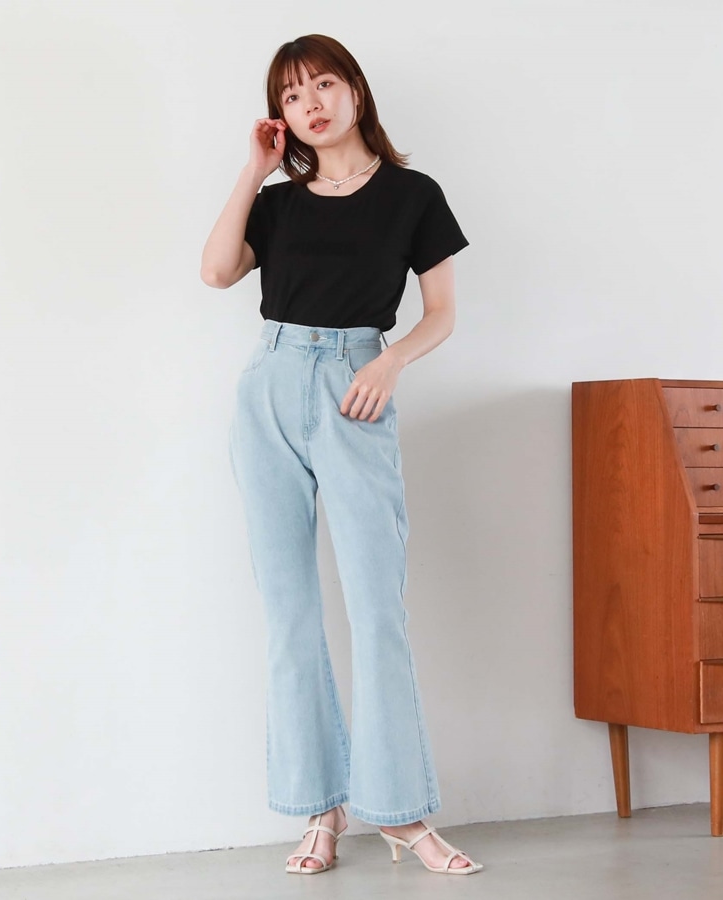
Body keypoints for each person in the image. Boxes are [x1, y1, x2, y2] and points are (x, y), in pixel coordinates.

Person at [200, 34, 481, 877]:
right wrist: (254, 169)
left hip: (359, 384)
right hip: (271, 387)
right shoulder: (278, 203)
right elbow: (215, 272)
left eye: (322, 84)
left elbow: (441, 312)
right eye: (291, 96)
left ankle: (402, 814)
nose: (310, 104)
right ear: (279, 116)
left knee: (376, 609)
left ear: (355, 89)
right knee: (290, 613)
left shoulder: (412, 194)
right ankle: (320, 810)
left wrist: (389, 362)